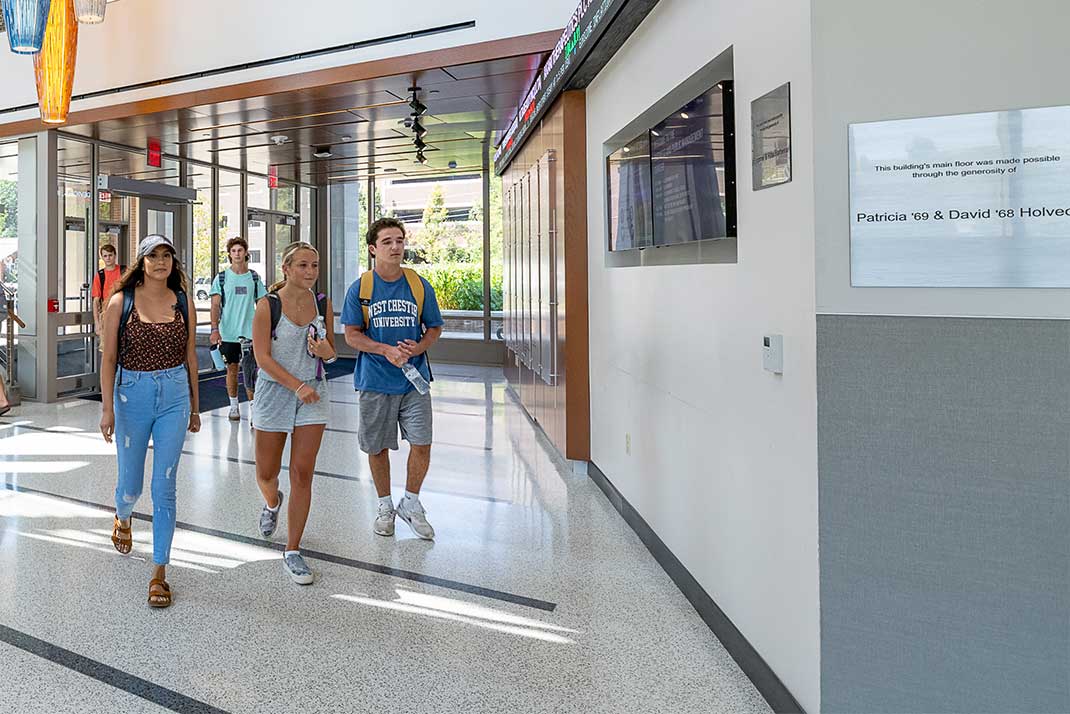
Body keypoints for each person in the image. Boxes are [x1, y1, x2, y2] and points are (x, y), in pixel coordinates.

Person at [99, 235, 200, 609]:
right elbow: (108, 359)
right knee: (130, 485)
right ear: (141, 262)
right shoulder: (120, 302)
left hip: (173, 394)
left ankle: (159, 571)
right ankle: (122, 516)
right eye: (153, 256)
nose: (160, 262)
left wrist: (194, 407)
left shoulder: (183, 302)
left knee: (165, 487)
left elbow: (191, 355)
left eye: (167, 256)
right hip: (132, 396)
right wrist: (107, 408)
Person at [342, 217, 444, 540]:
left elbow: (434, 328)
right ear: (373, 249)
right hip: (375, 381)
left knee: (422, 443)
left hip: (414, 382)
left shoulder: (418, 284)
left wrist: (419, 347)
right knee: (377, 447)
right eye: (387, 242)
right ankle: (385, 506)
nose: (395, 247)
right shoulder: (361, 288)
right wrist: (384, 349)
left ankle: (411, 504)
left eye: (399, 240)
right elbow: (352, 335)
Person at [251, 241, 335, 584]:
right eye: (302, 266)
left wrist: (327, 351)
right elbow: (262, 359)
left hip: (314, 395)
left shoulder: (322, 303)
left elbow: (331, 352)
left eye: (314, 266)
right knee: (267, 473)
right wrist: (295, 385)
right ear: (285, 268)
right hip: (275, 393)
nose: (310, 272)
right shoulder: (266, 306)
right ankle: (273, 503)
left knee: (303, 473)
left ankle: (293, 549)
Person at [209, 237, 266, 421]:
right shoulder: (222, 278)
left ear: (246, 253)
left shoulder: (254, 278)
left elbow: (262, 304)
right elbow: (215, 306)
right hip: (228, 334)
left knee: (250, 373)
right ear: (229, 255)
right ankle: (233, 407)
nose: (237, 254)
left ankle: (253, 409)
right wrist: (214, 329)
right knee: (231, 371)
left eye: (240, 250)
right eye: (233, 251)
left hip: (250, 334)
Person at [91, 243, 125, 343]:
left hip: (123, 312)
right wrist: (97, 323)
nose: (108, 258)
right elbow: (96, 301)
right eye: (105, 256)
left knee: (123, 345)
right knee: (107, 347)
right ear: (102, 258)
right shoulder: (100, 275)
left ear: (115, 255)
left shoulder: (124, 271)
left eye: (110, 255)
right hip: (106, 314)